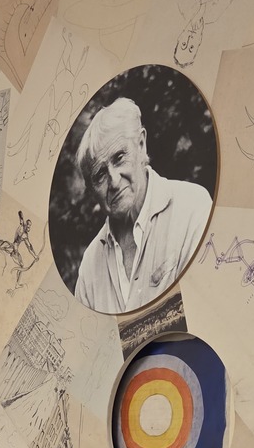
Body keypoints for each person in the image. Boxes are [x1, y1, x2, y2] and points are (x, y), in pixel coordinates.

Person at [73, 97, 213, 314]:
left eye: (119, 158)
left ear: (141, 144)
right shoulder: (90, 268)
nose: (114, 181)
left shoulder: (192, 208)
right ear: (91, 191)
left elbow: (209, 307)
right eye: (100, 175)